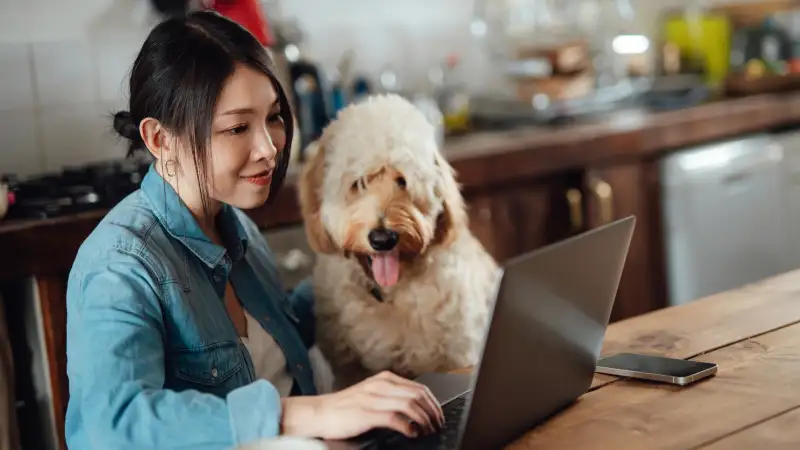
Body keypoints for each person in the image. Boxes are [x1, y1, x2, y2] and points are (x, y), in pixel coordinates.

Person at [65, 11, 443, 450]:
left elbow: (270, 349)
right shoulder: (119, 265)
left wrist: (354, 278)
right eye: (238, 127)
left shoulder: (233, 225)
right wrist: (315, 412)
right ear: (160, 139)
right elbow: (112, 426)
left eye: (275, 118)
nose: (269, 148)